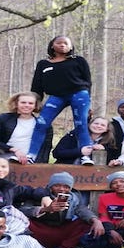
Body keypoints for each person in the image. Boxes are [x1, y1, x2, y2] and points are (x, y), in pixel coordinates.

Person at [26, 35, 93, 165]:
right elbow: (36, 85)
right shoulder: (43, 64)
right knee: (41, 123)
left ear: (71, 47)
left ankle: (85, 156)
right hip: (56, 96)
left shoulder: (78, 60)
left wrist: (88, 101)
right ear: (52, 45)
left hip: (78, 93)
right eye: (59, 43)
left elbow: (88, 81)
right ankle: (31, 155)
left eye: (66, 43)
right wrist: (36, 101)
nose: (63, 45)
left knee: (81, 124)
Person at [19, 172, 106, 248]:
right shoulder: (40, 195)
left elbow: (83, 210)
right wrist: (45, 209)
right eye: (57, 185)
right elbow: (23, 210)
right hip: (41, 230)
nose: (61, 189)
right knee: (22, 222)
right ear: (50, 186)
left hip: (61, 230)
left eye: (66, 187)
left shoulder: (74, 199)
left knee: (86, 223)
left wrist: (95, 220)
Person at [0, 91, 52, 165]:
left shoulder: (43, 124)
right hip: (4, 159)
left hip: (32, 161)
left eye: (30, 103)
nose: (27, 105)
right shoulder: (3, 119)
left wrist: (42, 165)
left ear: (35, 105)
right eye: (23, 102)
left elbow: (46, 148)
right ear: (16, 103)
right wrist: (14, 150)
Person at [53, 116, 121, 165]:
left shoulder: (110, 142)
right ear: (89, 125)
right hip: (67, 170)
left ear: (107, 129)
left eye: (102, 125)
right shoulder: (74, 135)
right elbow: (57, 153)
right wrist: (80, 151)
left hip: (93, 177)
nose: (98, 126)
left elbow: (113, 158)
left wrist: (104, 150)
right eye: (96, 123)